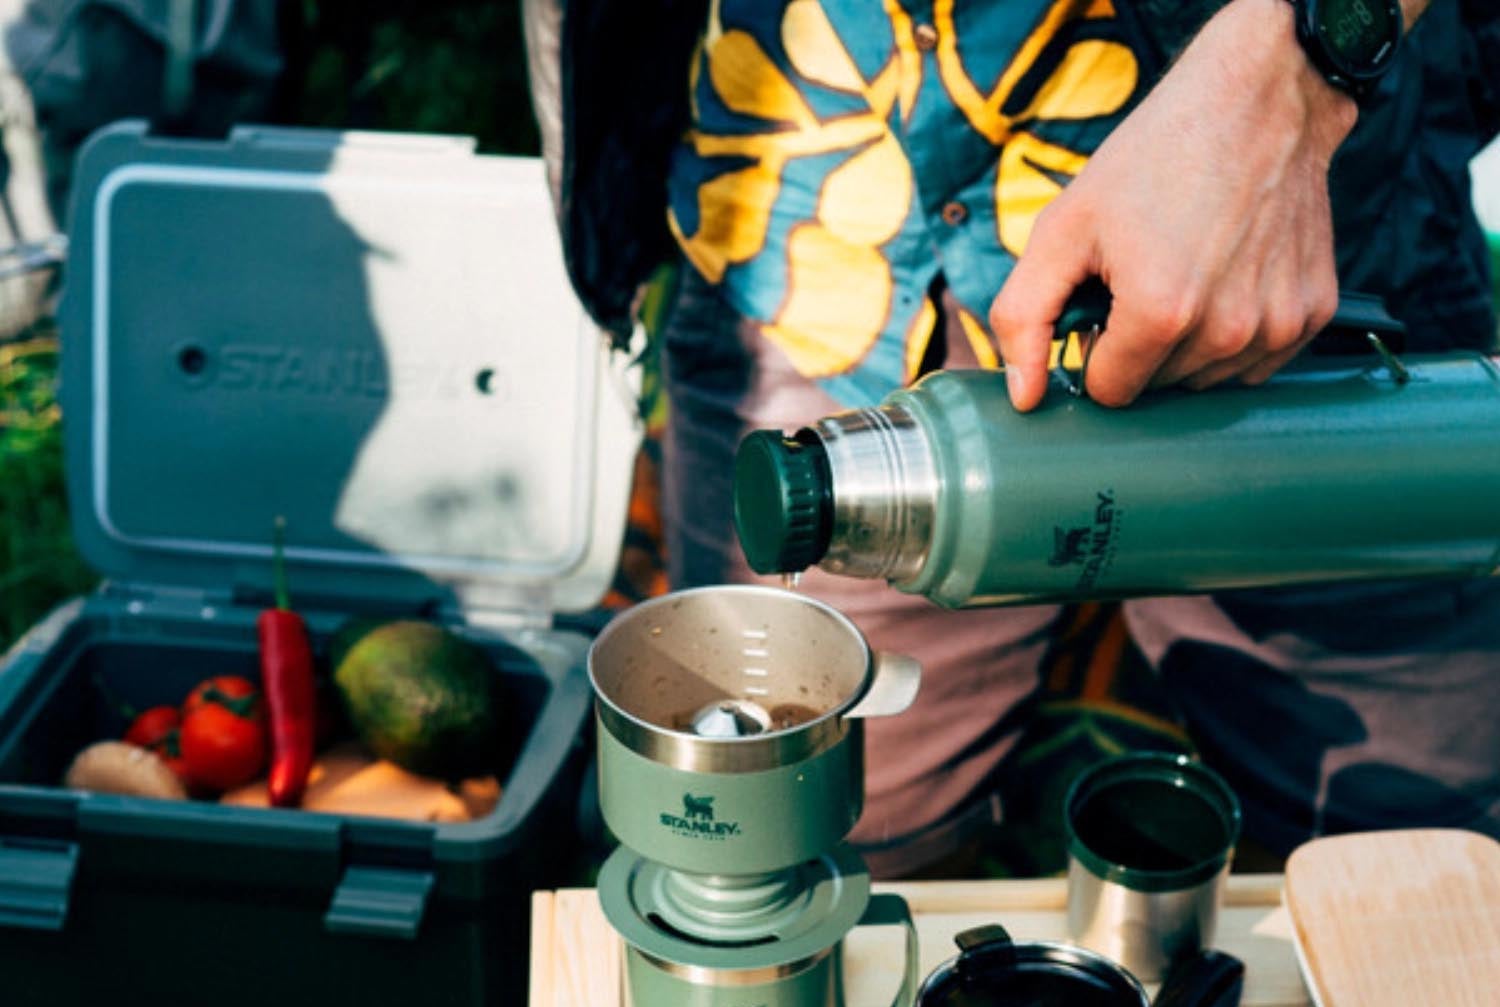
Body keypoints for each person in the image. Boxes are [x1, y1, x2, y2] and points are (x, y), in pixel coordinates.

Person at [526, 0, 1500, 875]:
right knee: (807, 846)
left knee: (1410, 853)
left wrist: (1295, 68)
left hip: (1287, 243)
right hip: (830, 237)